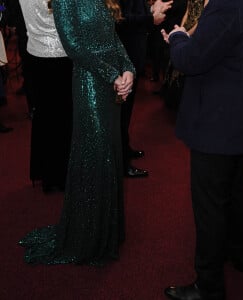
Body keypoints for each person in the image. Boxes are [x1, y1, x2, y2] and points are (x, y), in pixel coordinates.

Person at [161, 0, 243, 299]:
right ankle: (239, 253)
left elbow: (191, 59)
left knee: (210, 203)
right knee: (239, 187)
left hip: (220, 118)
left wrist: (177, 37)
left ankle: (208, 285)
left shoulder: (229, 4)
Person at [19, 0, 135, 265]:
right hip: (89, 86)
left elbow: (112, 37)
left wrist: (128, 68)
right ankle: (89, 234)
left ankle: (108, 230)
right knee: (97, 153)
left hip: (111, 84)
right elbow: (74, 46)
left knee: (112, 153)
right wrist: (111, 75)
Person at [18, 0, 73, 193]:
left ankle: (46, 174)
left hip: (33, 54)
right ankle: (60, 175)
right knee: (63, 117)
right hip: (60, 55)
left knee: (43, 115)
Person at [116, 0, 173, 178]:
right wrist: (150, 18)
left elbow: (133, 8)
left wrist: (151, 9)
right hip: (124, 51)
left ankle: (124, 149)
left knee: (126, 111)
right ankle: (121, 162)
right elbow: (118, 19)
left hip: (133, 50)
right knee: (120, 113)